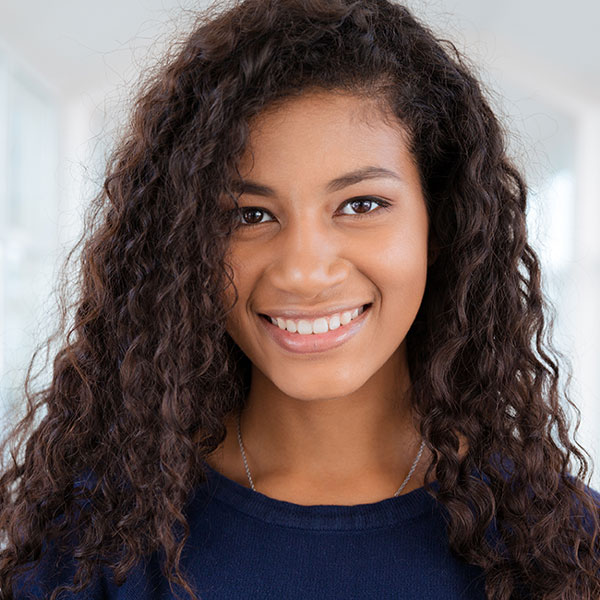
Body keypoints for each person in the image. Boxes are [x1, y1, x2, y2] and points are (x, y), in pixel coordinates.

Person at [1, 0, 599, 598]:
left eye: (361, 205)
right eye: (249, 215)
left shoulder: (562, 546)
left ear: (440, 224)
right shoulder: (95, 544)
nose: (305, 273)